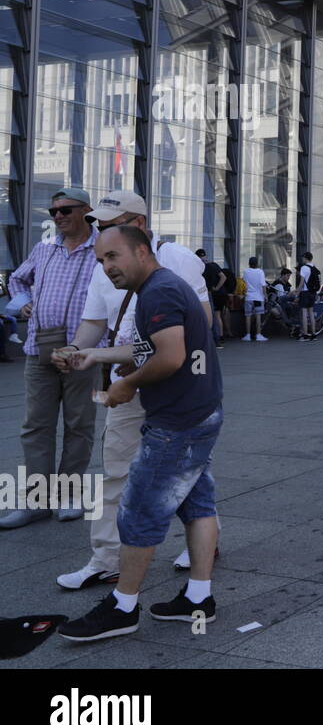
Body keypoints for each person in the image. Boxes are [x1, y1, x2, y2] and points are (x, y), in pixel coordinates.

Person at [57, 225, 223, 642]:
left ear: (142, 251)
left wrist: (126, 385)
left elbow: (170, 356)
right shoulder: (164, 285)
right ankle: (199, 597)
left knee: (138, 513)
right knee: (197, 505)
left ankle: (122, 606)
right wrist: (94, 353)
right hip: (199, 413)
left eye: (113, 257)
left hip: (177, 424)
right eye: (100, 260)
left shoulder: (158, 292)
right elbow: (153, 349)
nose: (107, 267)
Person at [0, 188, 100, 530]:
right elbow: (16, 279)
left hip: (83, 353)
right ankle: (36, 501)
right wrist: (23, 302)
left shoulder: (102, 249)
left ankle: (70, 496)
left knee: (79, 425)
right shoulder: (44, 249)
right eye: (52, 211)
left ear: (86, 211)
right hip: (38, 350)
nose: (57, 217)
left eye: (65, 210)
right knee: (36, 426)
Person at [196, 250, 228, 349]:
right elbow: (223, 277)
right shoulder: (213, 265)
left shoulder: (199, 267)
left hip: (205, 293)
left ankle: (208, 339)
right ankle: (218, 338)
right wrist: (217, 288)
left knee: (208, 316)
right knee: (216, 316)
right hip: (216, 293)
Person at [241, 256, 268, 342]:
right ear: (257, 263)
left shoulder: (246, 271)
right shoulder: (260, 272)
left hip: (248, 297)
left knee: (248, 316)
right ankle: (258, 335)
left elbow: (244, 283)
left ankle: (248, 335)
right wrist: (265, 295)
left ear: (249, 263)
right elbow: (263, 285)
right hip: (258, 297)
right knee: (258, 316)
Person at [297, 252, 321, 341]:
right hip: (313, 292)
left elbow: (302, 281)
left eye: (303, 257)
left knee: (304, 313)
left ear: (305, 258)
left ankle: (305, 335)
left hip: (305, 292)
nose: (302, 259)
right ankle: (313, 334)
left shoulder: (304, 267)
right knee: (311, 313)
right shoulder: (314, 267)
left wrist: (297, 292)